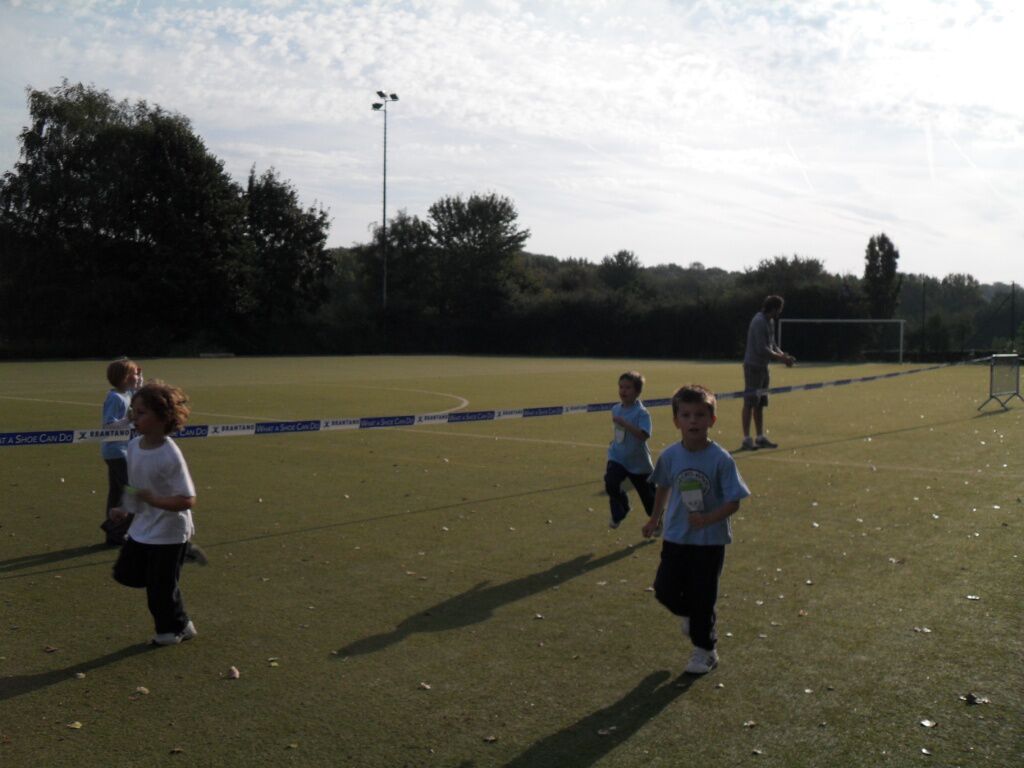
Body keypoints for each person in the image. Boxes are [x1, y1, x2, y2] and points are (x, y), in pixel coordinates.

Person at [642, 384, 750, 675]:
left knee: (704, 596)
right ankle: (690, 615)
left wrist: (709, 518)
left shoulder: (721, 459)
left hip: (710, 541)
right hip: (676, 537)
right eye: (686, 415)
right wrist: (654, 519)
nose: (693, 421)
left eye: (700, 415)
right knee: (665, 590)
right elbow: (663, 486)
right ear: (676, 421)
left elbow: (734, 501)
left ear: (711, 420)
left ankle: (705, 651)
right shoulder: (670, 456)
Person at [109, 380, 199, 646]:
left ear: (162, 417)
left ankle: (171, 631)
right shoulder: (134, 446)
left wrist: (155, 500)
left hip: (170, 532)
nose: (133, 418)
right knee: (125, 573)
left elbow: (187, 499)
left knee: (160, 589)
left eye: (141, 413)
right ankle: (182, 621)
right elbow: (136, 487)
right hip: (143, 528)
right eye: (133, 412)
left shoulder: (170, 455)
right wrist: (124, 508)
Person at [740, 295, 795, 450]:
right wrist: (782, 359)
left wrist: (783, 356)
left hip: (764, 367)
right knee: (749, 402)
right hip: (753, 367)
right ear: (774, 308)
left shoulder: (770, 321)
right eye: (779, 309)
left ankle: (760, 437)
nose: (780, 313)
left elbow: (772, 344)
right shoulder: (758, 321)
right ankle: (746, 439)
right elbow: (762, 348)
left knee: (760, 403)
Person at [605, 371, 656, 529]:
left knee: (649, 499)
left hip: (638, 462)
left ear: (637, 391)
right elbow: (619, 432)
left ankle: (656, 520)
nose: (623, 391)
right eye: (621, 387)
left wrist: (625, 424)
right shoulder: (615, 409)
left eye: (628, 387)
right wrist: (615, 442)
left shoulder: (642, 413)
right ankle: (621, 511)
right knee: (611, 482)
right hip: (617, 456)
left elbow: (643, 435)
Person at [99, 358, 142, 545]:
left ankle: (113, 536)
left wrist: (139, 381)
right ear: (125, 377)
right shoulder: (115, 398)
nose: (137, 376)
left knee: (116, 493)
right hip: (116, 452)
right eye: (134, 374)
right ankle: (115, 529)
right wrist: (128, 419)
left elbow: (138, 393)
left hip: (123, 450)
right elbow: (108, 426)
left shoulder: (127, 393)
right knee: (132, 491)